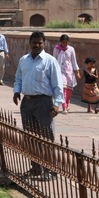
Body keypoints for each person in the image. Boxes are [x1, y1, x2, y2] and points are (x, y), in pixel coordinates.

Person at [13, 30, 64, 176]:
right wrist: (17, 91)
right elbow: (19, 78)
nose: (37, 45)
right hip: (27, 102)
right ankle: (35, 168)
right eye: (34, 42)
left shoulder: (50, 61)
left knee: (46, 136)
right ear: (30, 43)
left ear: (44, 44)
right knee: (30, 137)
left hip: (44, 102)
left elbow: (58, 85)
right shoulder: (24, 60)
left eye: (40, 42)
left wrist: (57, 104)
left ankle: (50, 169)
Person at [52, 34, 80, 113]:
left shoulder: (71, 49)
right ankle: (64, 107)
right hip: (60, 72)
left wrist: (77, 72)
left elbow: (74, 61)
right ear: (60, 42)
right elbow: (54, 61)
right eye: (63, 42)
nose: (64, 44)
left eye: (66, 42)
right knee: (63, 89)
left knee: (69, 91)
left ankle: (67, 104)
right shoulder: (56, 49)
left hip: (69, 72)